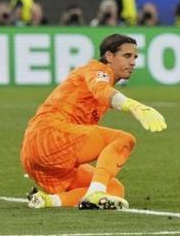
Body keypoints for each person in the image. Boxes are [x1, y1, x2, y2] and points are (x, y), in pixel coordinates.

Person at [21, 34, 167, 210]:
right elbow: (101, 90)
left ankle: (48, 201)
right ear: (109, 56)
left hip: (35, 154)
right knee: (123, 140)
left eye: (135, 57)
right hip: (50, 136)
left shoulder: (97, 76)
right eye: (127, 56)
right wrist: (133, 106)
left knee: (114, 189)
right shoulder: (97, 69)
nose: (133, 62)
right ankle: (95, 194)